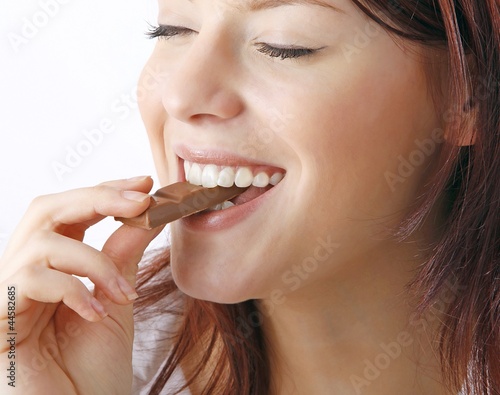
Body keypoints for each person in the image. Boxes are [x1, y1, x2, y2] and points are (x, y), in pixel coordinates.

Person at [1, 0, 498, 394]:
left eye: (284, 45)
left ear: (468, 93)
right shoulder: (79, 357)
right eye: (173, 30)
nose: (181, 94)